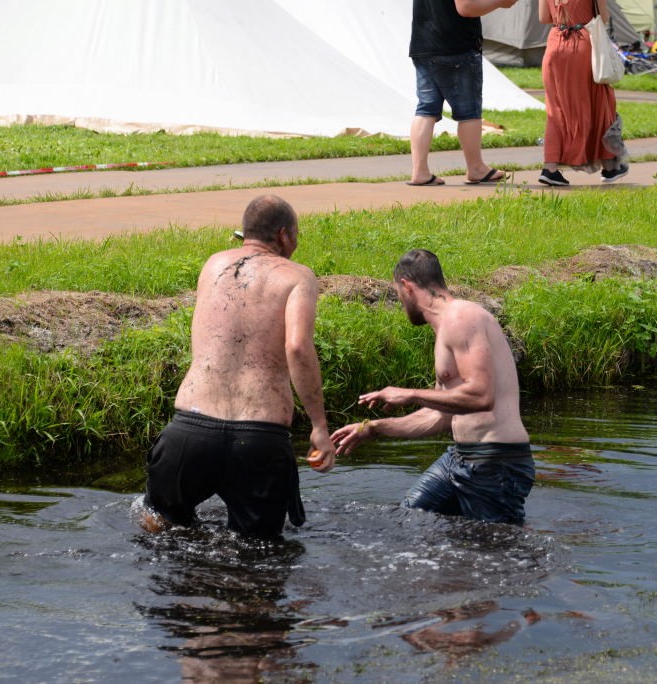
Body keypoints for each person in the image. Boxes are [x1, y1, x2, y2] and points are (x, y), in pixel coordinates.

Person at [144, 194, 336, 538]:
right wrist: (319, 426)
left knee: (160, 529)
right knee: (259, 557)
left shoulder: (213, 264)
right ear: (284, 235)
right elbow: (297, 346)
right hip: (259, 437)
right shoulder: (297, 276)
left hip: (189, 432)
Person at [331, 249, 534, 524]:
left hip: (496, 464)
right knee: (409, 521)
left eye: (398, 294)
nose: (401, 303)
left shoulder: (461, 316)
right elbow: (440, 416)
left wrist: (411, 394)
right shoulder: (443, 330)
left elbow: (481, 396)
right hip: (460, 458)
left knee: (497, 555)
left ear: (406, 286)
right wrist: (375, 428)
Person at [408, 0, 520, 187]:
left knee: (426, 108)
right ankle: (476, 168)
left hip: (423, 45)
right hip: (455, 46)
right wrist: (500, 2)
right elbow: (466, 7)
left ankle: (420, 171)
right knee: (468, 112)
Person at [537, 0, 630, 187]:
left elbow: (543, 18)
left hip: (555, 43)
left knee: (556, 109)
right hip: (582, 44)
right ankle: (610, 164)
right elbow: (604, 18)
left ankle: (550, 167)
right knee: (600, 102)